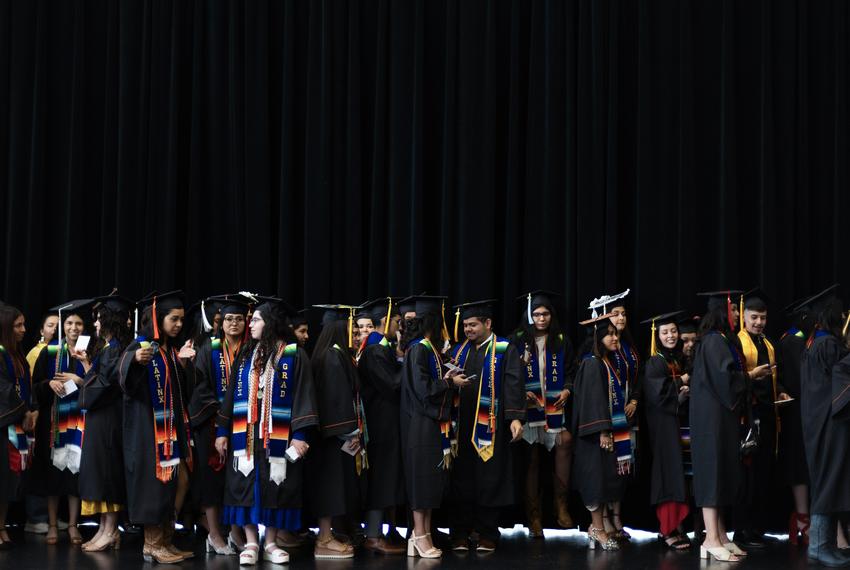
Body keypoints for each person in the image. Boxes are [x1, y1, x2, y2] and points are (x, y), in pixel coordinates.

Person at [215, 296, 318, 565]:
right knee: (244, 484)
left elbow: (303, 395)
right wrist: (222, 431)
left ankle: (270, 542)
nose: (251, 324)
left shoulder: (294, 355)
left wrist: (301, 435)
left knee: (277, 484)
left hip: (279, 436)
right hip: (246, 435)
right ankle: (251, 543)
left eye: (257, 320)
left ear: (270, 323)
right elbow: (230, 397)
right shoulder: (247, 354)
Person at [118, 291, 197, 563]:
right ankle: (151, 544)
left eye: (181, 319)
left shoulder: (168, 350)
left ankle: (165, 540)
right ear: (157, 318)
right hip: (147, 433)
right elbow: (124, 378)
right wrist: (135, 362)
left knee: (177, 482)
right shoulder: (141, 347)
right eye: (173, 319)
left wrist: (184, 363)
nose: (178, 324)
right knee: (156, 486)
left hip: (169, 431)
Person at [446, 299, 524, 553]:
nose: (468, 329)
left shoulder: (504, 349)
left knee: (490, 479)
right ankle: (459, 532)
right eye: (466, 325)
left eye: (473, 325)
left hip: (490, 426)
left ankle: (488, 532)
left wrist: (514, 418)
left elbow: (513, 382)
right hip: (461, 425)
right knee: (462, 479)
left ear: (487, 323)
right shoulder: (459, 351)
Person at [690, 290, 755, 563]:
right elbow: (725, 379)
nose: (737, 315)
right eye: (734, 310)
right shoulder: (714, 341)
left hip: (719, 418)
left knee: (721, 474)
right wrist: (750, 376)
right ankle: (710, 538)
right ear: (722, 312)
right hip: (711, 420)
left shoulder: (718, 340)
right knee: (712, 474)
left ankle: (721, 536)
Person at [29, 299, 96, 546]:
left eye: (78, 323)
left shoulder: (90, 351)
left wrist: (78, 380)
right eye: (69, 323)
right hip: (54, 421)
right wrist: (49, 384)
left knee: (75, 475)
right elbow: (34, 387)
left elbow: (98, 383)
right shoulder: (50, 351)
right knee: (53, 474)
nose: (74, 327)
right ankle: (53, 524)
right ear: (62, 326)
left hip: (81, 421)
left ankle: (73, 525)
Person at [190, 295, 253, 556]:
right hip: (213, 423)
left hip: (243, 424)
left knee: (238, 480)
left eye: (239, 319)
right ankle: (214, 534)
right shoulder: (210, 348)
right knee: (212, 481)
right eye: (229, 319)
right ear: (222, 323)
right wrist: (221, 412)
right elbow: (199, 385)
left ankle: (236, 532)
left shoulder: (252, 349)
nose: (234, 323)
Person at [510, 291, 576, 537]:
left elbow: (570, 370)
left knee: (565, 441)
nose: (541, 318)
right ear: (529, 316)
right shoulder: (516, 340)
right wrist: (518, 393)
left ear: (551, 315)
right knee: (532, 457)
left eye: (545, 314)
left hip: (554, 404)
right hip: (528, 406)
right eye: (536, 314)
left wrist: (568, 390)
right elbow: (509, 373)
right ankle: (534, 516)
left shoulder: (561, 340)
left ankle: (561, 506)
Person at [305, 305, 365, 560]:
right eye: (352, 331)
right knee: (330, 488)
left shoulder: (336, 354)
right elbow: (336, 399)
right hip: (332, 437)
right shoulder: (332, 356)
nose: (356, 336)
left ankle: (329, 535)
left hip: (333, 436)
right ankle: (324, 540)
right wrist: (350, 432)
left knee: (336, 488)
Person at [733, 288, 790, 549]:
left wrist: (780, 391)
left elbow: (771, 377)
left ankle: (756, 528)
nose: (759, 322)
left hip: (768, 415)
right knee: (748, 475)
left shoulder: (767, 343)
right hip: (748, 416)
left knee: (763, 473)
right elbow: (735, 381)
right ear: (743, 316)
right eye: (754, 317)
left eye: (763, 318)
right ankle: (741, 531)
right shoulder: (737, 343)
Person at [77, 294, 134, 552]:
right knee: (100, 472)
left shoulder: (117, 350)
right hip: (101, 417)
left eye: (100, 320)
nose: (96, 325)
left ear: (111, 321)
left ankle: (110, 530)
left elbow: (103, 385)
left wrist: (86, 377)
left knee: (108, 473)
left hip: (110, 418)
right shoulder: (109, 348)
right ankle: (103, 528)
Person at [799, 285, 850, 567]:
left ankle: (827, 543)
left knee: (826, 480)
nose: (843, 316)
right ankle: (819, 545)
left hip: (817, 421)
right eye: (840, 313)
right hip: (829, 423)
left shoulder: (813, 341)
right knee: (828, 481)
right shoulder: (828, 344)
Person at [572, 312, 631, 551]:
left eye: (616, 334)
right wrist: (603, 431)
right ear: (597, 337)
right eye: (610, 334)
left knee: (605, 481)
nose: (616, 338)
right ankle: (597, 529)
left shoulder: (604, 361)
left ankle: (599, 529)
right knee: (595, 482)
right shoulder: (591, 363)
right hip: (594, 437)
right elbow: (593, 401)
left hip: (601, 435)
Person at [399, 295, 452, 558]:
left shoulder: (428, 348)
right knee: (421, 482)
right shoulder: (419, 349)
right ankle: (419, 535)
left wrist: (447, 377)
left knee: (430, 481)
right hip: (420, 424)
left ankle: (422, 535)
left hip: (428, 423)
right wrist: (450, 383)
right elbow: (423, 390)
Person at [357, 298, 406, 554]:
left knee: (389, 477)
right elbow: (393, 384)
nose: (400, 325)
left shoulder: (381, 347)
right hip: (380, 424)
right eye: (397, 321)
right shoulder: (375, 349)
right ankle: (373, 536)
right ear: (384, 321)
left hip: (385, 421)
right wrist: (411, 363)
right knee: (382, 478)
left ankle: (388, 530)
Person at [640, 311, 691, 551]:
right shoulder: (655, 361)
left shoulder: (677, 358)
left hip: (677, 424)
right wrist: (682, 382)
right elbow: (657, 395)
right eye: (665, 332)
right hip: (662, 426)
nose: (671, 335)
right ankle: (666, 528)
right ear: (656, 335)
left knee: (679, 473)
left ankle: (678, 525)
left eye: (673, 331)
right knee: (667, 473)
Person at [0, 303, 38, 549]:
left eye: (23, 324)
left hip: (16, 427)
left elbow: (27, 386)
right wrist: (23, 411)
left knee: (9, 482)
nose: (24, 329)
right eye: (17, 325)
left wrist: (32, 410)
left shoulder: (17, 355)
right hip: (3, 427)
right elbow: (3, 389)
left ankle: (1, 525)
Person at [778, 296, 813, 546]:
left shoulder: (797, 339)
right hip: (798, 411)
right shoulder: (793, 341)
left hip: (804, 411)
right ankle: (802, 519)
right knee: (800, 464)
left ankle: (804, 518)